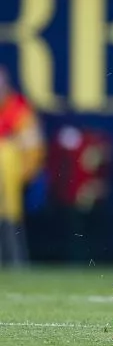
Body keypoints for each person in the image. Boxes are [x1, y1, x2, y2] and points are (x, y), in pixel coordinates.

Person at [0, 65, 45, 266]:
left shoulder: (19, 110)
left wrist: (20, 176)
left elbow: (33, 152)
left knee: (6, 154)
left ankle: (14, 258)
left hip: (17, 182)